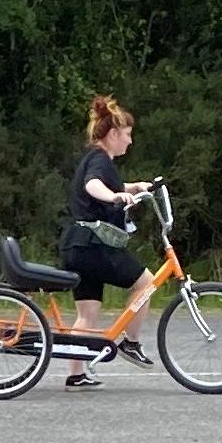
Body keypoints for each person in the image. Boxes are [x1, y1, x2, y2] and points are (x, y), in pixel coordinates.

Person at [58, 95, 149, 386]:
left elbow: (104, 183)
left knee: (87, 313)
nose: (130, 141)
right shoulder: (100, 160)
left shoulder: (94, 158)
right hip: (92, 245)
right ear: (113, 134)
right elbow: (93, 185)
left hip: (76, 245)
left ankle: (76, 375)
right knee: (146, 283)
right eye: (127, 134)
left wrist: (132, 187)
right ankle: (131, 342)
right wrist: (115, 196)